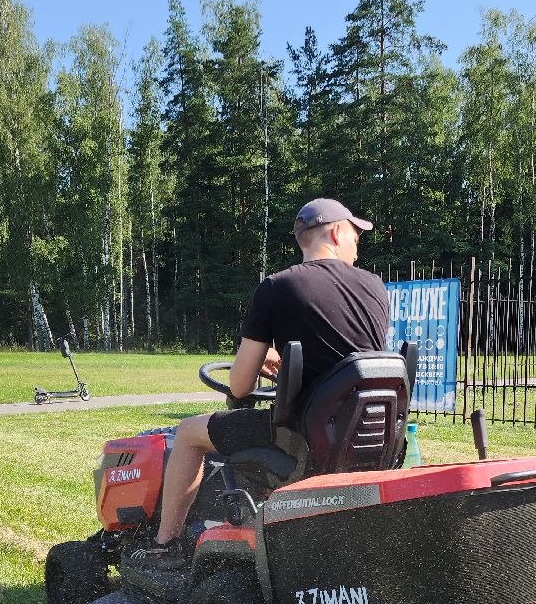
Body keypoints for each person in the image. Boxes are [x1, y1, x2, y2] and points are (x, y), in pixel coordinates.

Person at [128, 198, 391, 571]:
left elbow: (238, 387)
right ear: (335, 232)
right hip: (367, 436)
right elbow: (345, 363)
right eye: (355, 236)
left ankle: (164, 544)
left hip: (302, 440)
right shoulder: (376, 288)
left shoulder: (276, 288)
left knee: (187, 433)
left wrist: (262, 357)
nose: (357, 247)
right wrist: (286, 372)